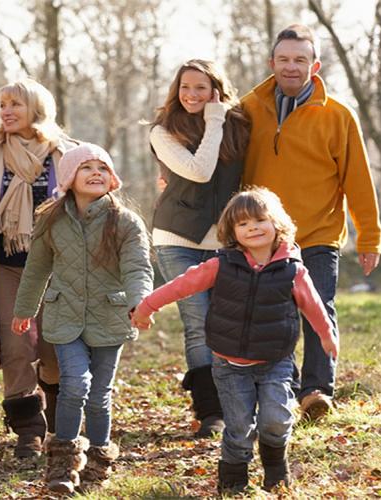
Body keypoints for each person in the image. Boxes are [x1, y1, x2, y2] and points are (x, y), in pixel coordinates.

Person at [132, 187, 338, 494]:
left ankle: (275, 467)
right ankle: (233, 481)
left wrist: (326, 335)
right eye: (243, 224)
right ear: (232, 232)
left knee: (275, 419)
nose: (253, 227)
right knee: (239, 427)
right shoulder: (221, 265)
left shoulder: (292, 270)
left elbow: (314, 305)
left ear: (277, 224)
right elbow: (181, 286)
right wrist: (147, 306)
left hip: (275, 360)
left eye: (259, 220)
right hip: (229, 362)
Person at [241, 24, 381, 420]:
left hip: (318, 233)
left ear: (314, 65)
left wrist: (369, 237)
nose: (291, 66)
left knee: (318, 307)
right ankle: (284, 385)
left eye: (300, 59)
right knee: (272, 316)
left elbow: (358, 179)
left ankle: (317, 391)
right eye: (284, 59)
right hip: (261, 236)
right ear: (272, 63)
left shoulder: (337, 116)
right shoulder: (248, 110)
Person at [11, 143, 153, 494]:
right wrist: (25, 309)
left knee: (99, 394)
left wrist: (140, 303)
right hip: (65, 316)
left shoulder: (125, 222)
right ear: (69, 178)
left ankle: (98, 463)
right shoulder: (51, 219)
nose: (95, 173)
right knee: (75, 384)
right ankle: (62, 465)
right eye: (86, 167)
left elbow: (137, 267)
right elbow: (37, 268)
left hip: (109, 315)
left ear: (112, 178)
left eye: (102, 168)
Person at [0, 78, 77, 458]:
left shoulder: (68, 154)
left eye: (15, 103)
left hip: (56, 267)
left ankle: (52, 400)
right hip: (7, 266)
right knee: (15, 345)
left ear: (36, 108)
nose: (6, 111)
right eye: (2, 104)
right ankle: (27, 429)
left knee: (53, 347)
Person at [149, 59, 250, 437]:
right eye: (185, 87)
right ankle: (211, 412)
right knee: (198, 323)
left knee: (228, 322)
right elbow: (200, 171)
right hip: (177, 239)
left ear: (216, 92)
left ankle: (237, 401)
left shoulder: (238, 126)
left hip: (224, 241)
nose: (191, 94)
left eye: (201, 88)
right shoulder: (164, 131)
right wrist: (214, 121)